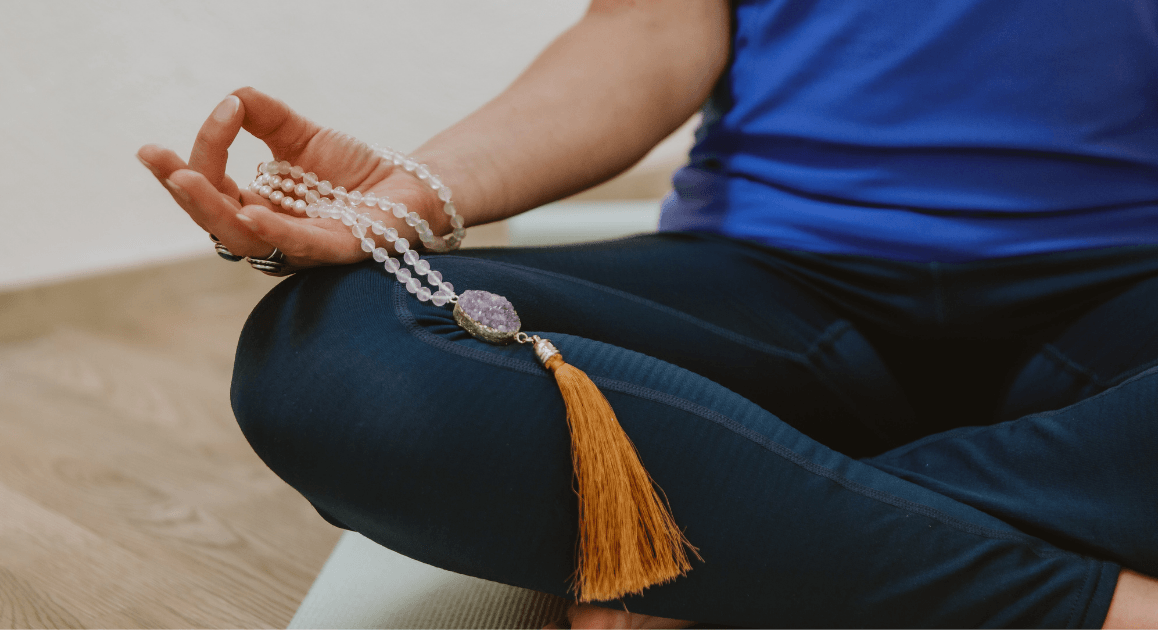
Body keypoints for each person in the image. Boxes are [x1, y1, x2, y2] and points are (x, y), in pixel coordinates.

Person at [138, 1, 1158, 626]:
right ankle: (1086, 606)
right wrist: (414, 193)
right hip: (773, 293)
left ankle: (744, 552)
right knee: (335, 351)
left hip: (1124, 293)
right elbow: (647, 24)